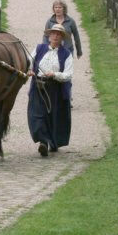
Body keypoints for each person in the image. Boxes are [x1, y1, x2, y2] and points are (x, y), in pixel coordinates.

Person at [27, 24, 73, 157]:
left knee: (52, 116)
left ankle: (52, 142)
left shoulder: (66, 54)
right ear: (49, 35)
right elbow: (29, 61)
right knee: (37, 115)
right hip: (38, 87)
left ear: (62, 37)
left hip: (55, 90)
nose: (56, 36)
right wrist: (29, 70)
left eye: (59, 34)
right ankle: (43, 142)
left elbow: (68, 74)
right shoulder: (39, 48)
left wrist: (55, 74)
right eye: (53, 33)